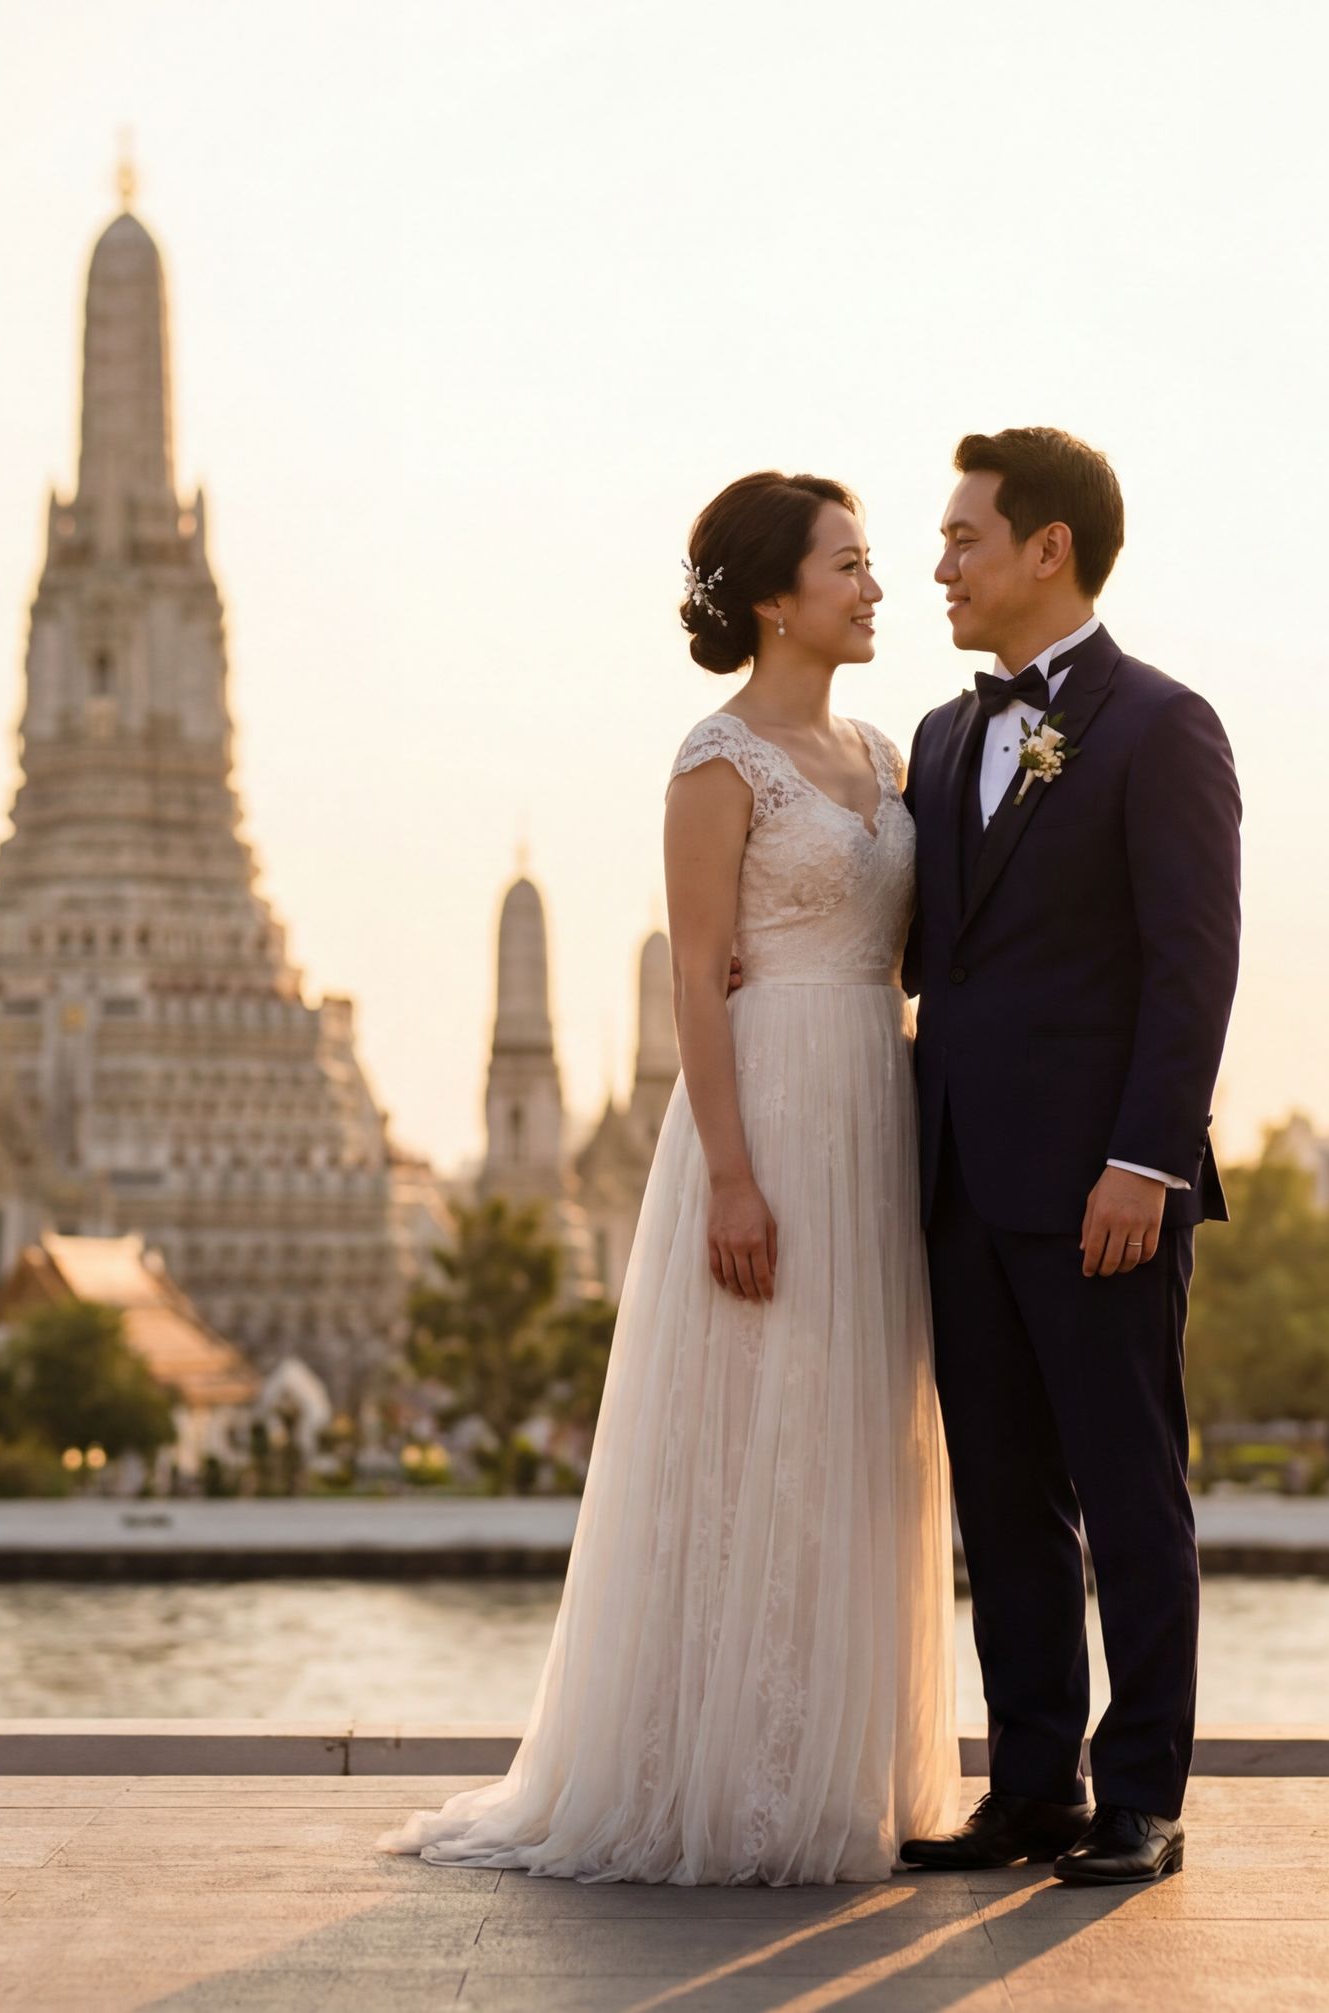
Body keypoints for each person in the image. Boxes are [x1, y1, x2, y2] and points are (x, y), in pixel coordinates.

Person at [379, 472, 958, 1885]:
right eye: (849, 564)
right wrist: (734, 1180)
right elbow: (701, 975)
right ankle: (728, 1776)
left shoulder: (886, 758)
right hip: (767, 1109)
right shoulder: (717, 760)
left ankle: (845, 1767)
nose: (875, 587)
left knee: (856, 1431)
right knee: (756, 1422)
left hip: (874, 1103)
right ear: (775, 597)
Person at [896, 427, 1241, 1884]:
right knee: (1003, 1496)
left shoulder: (1162, 726)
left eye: (963, 537)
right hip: (957, 1180)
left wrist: (1146, 1163)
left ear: (1050, 548)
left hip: (1105, 1188)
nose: (938, 565)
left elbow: (1192, 965)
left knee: (1129, 1489)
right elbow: (923, 953)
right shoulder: (938, 737)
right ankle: (1031, 1784)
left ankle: (1142, 1794)